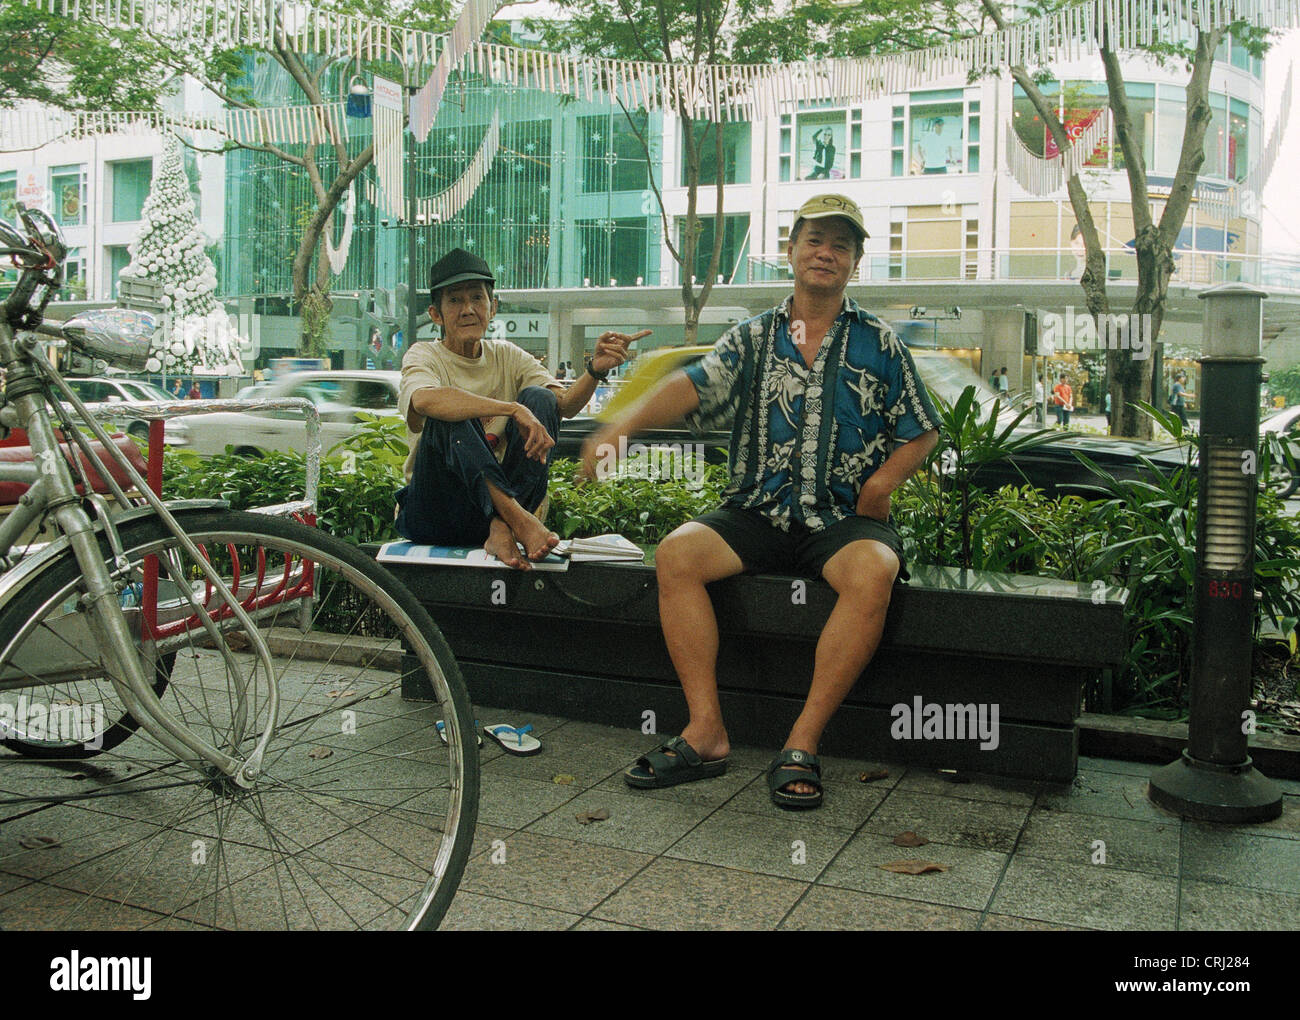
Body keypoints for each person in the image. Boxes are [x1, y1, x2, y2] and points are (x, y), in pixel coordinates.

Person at [581, 193, 940, 811]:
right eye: (814, 240)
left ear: (855, 260)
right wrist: (620, 426)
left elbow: (923, 428)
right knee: (677, 556)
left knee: (874, 572)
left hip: (840, 519)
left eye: (841, 244)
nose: (825, 253)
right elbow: (691, 387)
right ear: (792, 250)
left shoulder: (879, 342)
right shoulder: (752, 339)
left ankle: (801, 743)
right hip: (757, 509)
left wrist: (881, 486)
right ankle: (706, 731)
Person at [397, 247, 640, 569]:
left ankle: (501, 524)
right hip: (436, 511)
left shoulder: (508, 356)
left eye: (477, 298)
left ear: (492, 307)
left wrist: (595, 370)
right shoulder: (423, 354)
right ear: (435, 314)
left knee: (540, 398)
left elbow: (563, 406)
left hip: (488, 515)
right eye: (455, 300)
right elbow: (425, 401)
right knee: (449, 413)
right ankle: (515, 520)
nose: (468, 309)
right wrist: (511, 409)